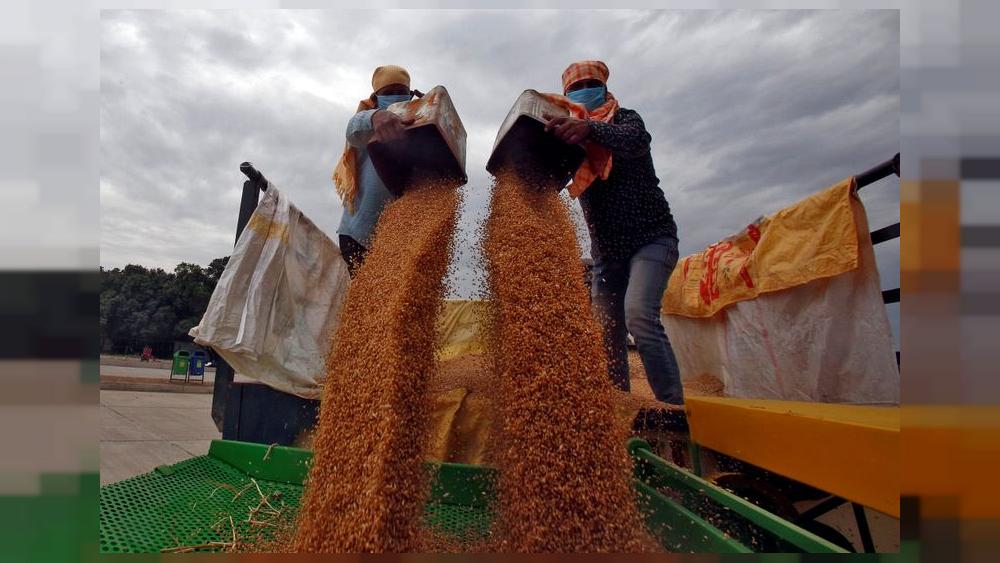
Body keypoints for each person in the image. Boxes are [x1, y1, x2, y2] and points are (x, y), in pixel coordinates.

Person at [544, 60, 684, 407]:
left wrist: (590, 130)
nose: (583, 92)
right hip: (608, 253)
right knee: (607, 331)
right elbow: (551, 176)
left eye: (589, 84)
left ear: (605, 87)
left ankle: (673, 407)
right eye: (575, 89)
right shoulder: (571, 139)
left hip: (652, 238)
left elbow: (635, 141)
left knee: (639, 315)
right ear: (565, 96)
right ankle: (617, 405)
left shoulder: (625, 120)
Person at [332, 64, 421, 277]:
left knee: (396, 303)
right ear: (376, 97)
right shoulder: (367, 122)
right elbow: (352, 129)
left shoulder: (419, 122)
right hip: (358, 234)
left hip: (399, 239)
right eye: (388, 93)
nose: (395, 97)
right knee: (366, 299)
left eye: (401, 92)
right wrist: (376, 117)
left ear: (410, 94)